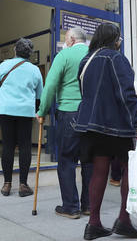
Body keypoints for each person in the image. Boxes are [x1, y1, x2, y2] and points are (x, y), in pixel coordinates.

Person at [74, 23, 137, 240]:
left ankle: (94, 224)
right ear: (114, 39)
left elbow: (84, 92)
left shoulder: (86, 60)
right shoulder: (116, 58)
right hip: (116, 125)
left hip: (91, 124)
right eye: (119, 38)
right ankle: (124, 221)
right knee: (129, 169)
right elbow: (127, 94)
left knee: (99, 171)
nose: (120, 41)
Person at [36, 27, 93, 219]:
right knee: (88, 160)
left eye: (65, 38)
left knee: (67, 159)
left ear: (70, 39)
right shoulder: (95, 55)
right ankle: (88, 205)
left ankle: (70, 206)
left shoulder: (64, 55)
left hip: (70, 113)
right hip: (92, 115)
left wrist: (42, 110)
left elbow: (50, 85)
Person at [0, 38, 43, 197]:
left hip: (5, 110)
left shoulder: (4, 65)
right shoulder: (34, 70)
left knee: (8, 146)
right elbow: (40, 94)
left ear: (15, 50)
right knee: (25, 146)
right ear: (30, 54)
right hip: (25, 112)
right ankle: (23, 185)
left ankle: (7, 185)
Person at [109, 80, 137, 186]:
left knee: (117, 151)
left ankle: (116, 178)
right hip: (133, 123)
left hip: (118, 124)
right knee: (133, 149)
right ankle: (132, 176)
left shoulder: (115, 84)